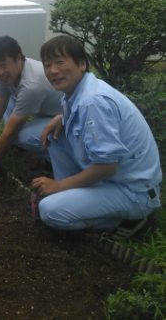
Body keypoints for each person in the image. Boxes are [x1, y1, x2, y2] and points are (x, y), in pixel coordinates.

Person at [33, 35, 162, 232]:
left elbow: (107, 167)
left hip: (133, 192)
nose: (53, 71)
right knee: (56, 136)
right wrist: (61, 118)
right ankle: (74, 197)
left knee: (49, 211)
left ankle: (124, 222)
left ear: (82, 64)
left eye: (60, 62)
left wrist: (59, 185)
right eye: (47, 65)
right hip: (116, 179)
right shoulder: (78, 92)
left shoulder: (93, 102)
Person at [0, 36, 62, 186]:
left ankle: (57, 160)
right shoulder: (7, 75)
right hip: (42, 109)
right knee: (10, 107)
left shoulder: (31, 85)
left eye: (3, 65)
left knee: (21, 136)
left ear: (18, 58)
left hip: (62, 119)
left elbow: (10, 133)